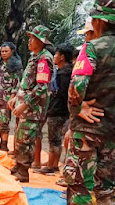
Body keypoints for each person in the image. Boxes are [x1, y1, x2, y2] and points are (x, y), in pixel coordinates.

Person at [64, 0, 115, 205]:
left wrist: (77, 108)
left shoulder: (93, 47)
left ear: (100, 20)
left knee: (80, 186)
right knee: (106, 189)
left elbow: (77, 86)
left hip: (88, 131)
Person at [8, 25, 54, 182]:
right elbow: (26, 82)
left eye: (32, 38)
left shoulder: (44, 59)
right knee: (20, 137)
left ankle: (23, 171)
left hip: (33, 108)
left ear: (41, 41)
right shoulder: (34, 57)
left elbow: (41, 87)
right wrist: (17, 97)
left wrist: (25, 104)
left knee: (27, 138)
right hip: (26, 105)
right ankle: (19, 165)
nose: (29, 41)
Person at [35, 43, 73, 175]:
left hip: (58, 110)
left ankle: (52, 165)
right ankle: (54, 163)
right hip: (59, 109)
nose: (54, 57)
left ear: (62, 57)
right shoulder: (64, 71)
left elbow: (64, 94)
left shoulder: (64, 74)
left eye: (56, 54)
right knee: (56, 139)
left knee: (54, 139)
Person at [0, 42, 23, 150]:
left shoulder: (16, 67)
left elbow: (17, 84)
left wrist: (11, 98)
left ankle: (3, 145)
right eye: (2, 51)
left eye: (6, 51)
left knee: (3, 124)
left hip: (6, 100)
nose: (4, 53)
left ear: (12, 52)